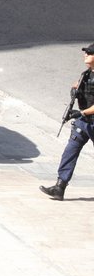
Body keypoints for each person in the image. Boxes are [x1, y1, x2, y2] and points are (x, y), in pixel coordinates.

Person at [39, 44, 94, 201]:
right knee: (70, 151)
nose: (86, 55)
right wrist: (74, 90)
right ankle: (59, 187)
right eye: (86, 53)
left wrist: (81, 112)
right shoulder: (85, 74)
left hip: (88, 118)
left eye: (90, 53)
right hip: (83, 123)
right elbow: (76, 84)